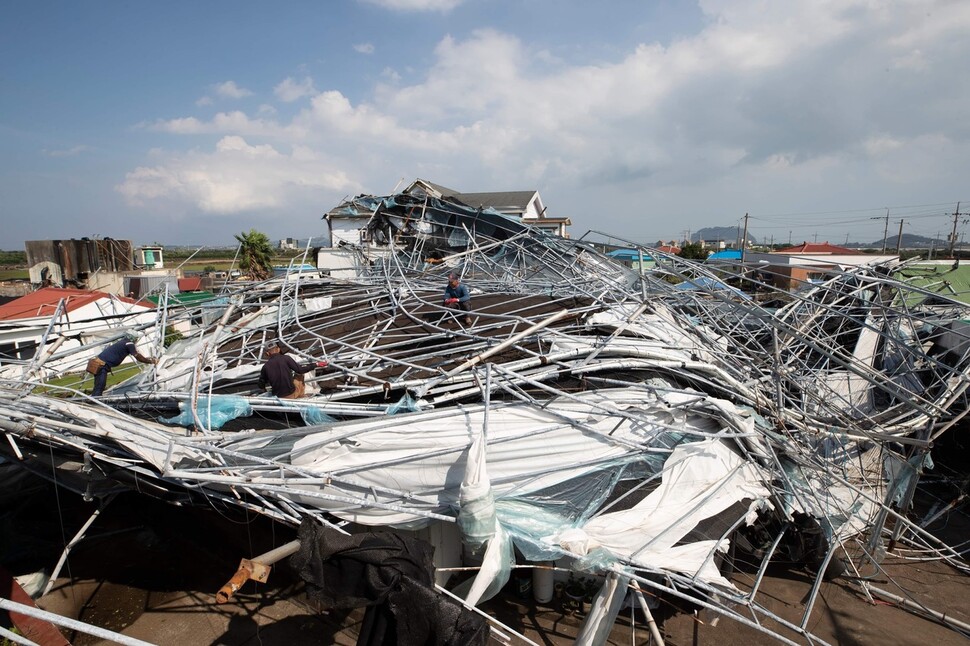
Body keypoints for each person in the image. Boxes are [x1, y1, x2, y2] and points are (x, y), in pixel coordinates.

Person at [91, 333, 157, 397]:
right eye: (136, 339)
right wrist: (150, 361)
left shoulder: (122, 342)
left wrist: (147, 359)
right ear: (133, 338)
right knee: (100, 385)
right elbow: (137, 356)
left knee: (98, 384)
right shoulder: (129, 344)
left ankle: (94, 397)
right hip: (102, 365)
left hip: (99, 363)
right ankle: (95, 400)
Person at [258, 342, 328, 399]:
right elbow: (300, 370)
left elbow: (261, 382)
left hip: (278, 396)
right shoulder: (286, 358)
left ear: (267, 354)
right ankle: (300, 395)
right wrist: (316, 364)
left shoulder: (265, 367)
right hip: (291, 394)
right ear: (278, 349)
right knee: (299, 375)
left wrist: (264, 390)